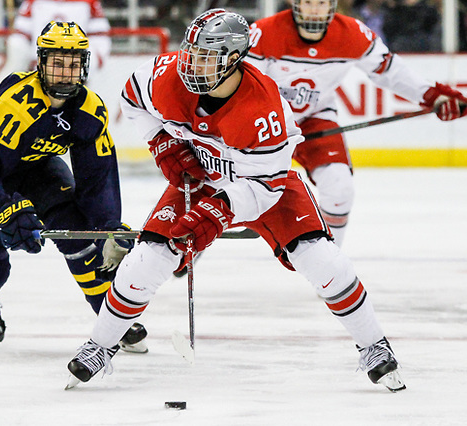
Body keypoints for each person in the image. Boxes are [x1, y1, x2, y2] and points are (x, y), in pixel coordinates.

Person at [65, 9, 406, 392]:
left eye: (206, 56)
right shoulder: (166, 74)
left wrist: (220, 210)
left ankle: (374, 344)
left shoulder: (263, 108)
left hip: (265, 188)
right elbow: (132, 96)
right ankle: (100, 345)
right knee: (146, 261)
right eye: (191, 51)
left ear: (232, 59)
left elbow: (268, 185)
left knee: (323, 260)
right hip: (201, 177)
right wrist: (160, 141)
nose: (192, 63)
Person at [0, 21, 146, 353]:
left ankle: (111, 319)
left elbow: (97, 178)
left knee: (78, 231)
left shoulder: (89, 110)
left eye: (73, 64)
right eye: (57, 63)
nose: (65, 74)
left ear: (84, 66)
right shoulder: (15, 103)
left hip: (36, 169)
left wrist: (106, 226)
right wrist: (2, 208)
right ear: (41, 63)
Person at [246, 0, 467, 246]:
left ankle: (330, 258)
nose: (315, 9)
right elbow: (246, 88)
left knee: (339, 186)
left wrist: (433, 96)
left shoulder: (352, 33)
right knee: (220, 189)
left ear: (332, 5)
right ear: (294, 4)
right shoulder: (264, 32)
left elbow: (391, 71)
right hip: (263, 122)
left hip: (314, 118)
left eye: (321, 2)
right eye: (308, 2)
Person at [0, 0, 111, 81]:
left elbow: (100, 37)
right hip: (38, 71)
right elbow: (21, 34)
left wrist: (87, 65)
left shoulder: (89, 2)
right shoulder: (33, 2)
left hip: (74, 73)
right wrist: (17, 53)